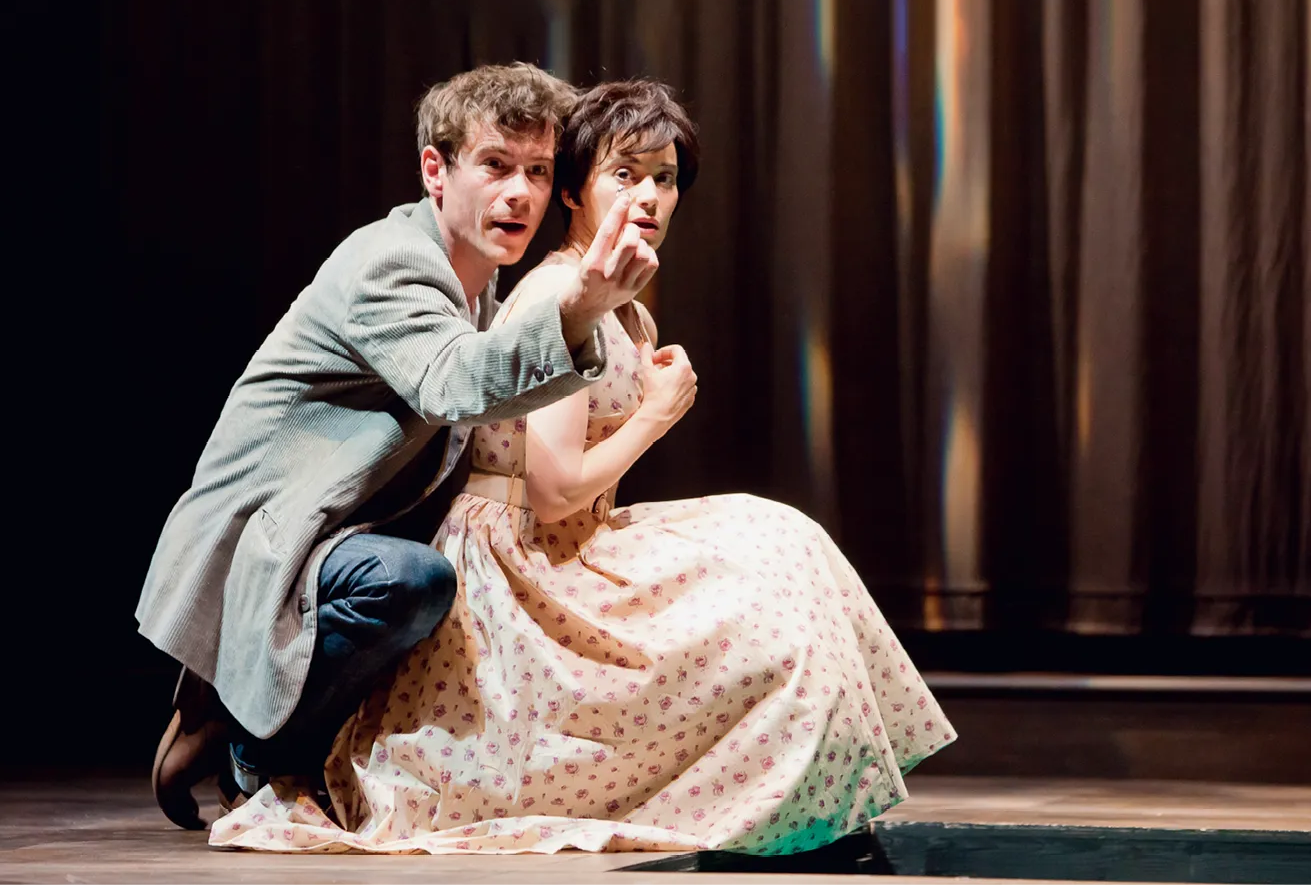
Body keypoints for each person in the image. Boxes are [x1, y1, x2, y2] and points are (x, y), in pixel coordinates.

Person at [210, 80, 955, 856]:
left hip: (571, 543)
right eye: (623, 175)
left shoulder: (622, 303)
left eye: (663, 178)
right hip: (522, 559)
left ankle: (804, 797)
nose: (648, 197)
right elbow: (553, 489)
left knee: (782, 544)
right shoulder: (562, 291)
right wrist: (654, 416)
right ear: (578, 189)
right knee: (767, 566)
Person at [138, 62, 665, 830]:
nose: (518, 193)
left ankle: (248, 712)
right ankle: (258, 740)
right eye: (493, 165)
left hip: (349, 526)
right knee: (413, 583)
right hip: (272, 534)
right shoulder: (390, 263)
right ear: (435, 170)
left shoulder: (477, 281)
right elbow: (453, 382)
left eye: (538, 172)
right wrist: (581, 306)